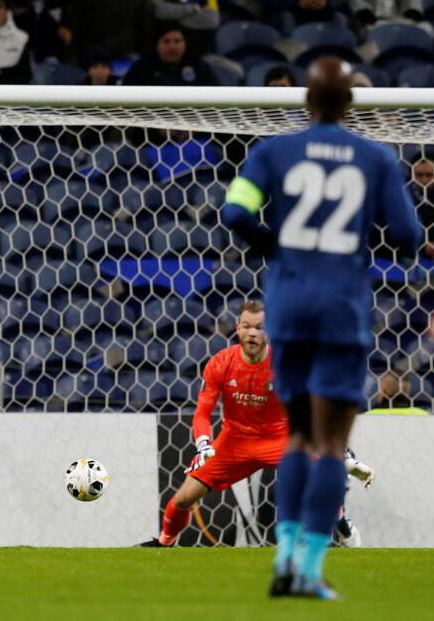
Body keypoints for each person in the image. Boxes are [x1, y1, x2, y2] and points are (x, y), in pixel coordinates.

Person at [222, 57, 421, 599]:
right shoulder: (374, 158)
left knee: (297, 438)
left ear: (306, 101)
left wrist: (276, 246)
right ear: (350, 103)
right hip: (340, 309)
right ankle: (308, 568)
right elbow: (406, 233)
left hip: (288, 306)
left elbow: (234, 212)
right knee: (332, 442)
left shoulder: (272, 152)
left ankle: (283, 558)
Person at [139, 301, 289, 548]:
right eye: (246, 326)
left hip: (277, 439)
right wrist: (204, 444)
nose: (252, 333)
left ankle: (339, 529)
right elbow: (202, 413)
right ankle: (164, 542)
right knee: (183, 498)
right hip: (234, 442)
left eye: (260, 327)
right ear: (237, 328)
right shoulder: (221, 363)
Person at [120, 23, 218, 86]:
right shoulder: (142, 67)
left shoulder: (198, 66)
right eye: (166, 41)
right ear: (158, 45)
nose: (172, 46)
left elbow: (215, 94)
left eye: (177, 41)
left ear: (185, 44)